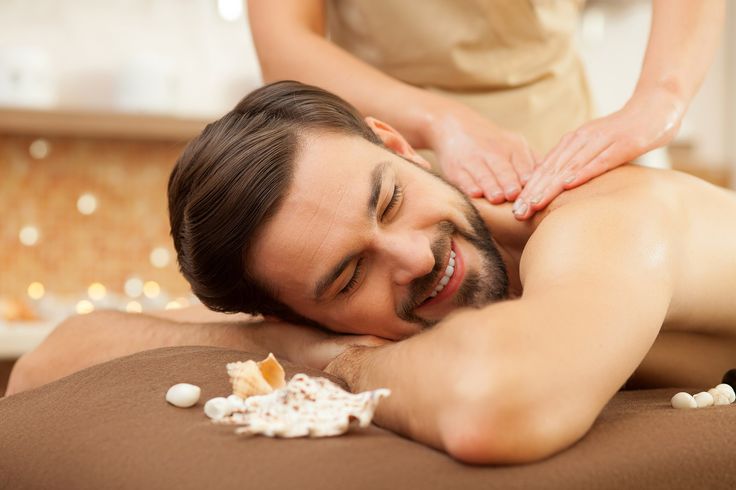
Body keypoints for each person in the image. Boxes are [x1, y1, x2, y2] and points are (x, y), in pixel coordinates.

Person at [8, 82, 736, 465]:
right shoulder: (298, 313)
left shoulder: (600, 220)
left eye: (389, 200)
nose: (415, 258)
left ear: (397, 146)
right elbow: (50, 361)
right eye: (350, 276)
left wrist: (340, 361)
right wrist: (282, 343)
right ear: (294, 311)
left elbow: (494, 406)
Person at [247, 0, 725, 220]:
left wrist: (662, 96)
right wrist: (440, 121)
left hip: (557, 140)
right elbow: (284, 45)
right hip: (389, 144)